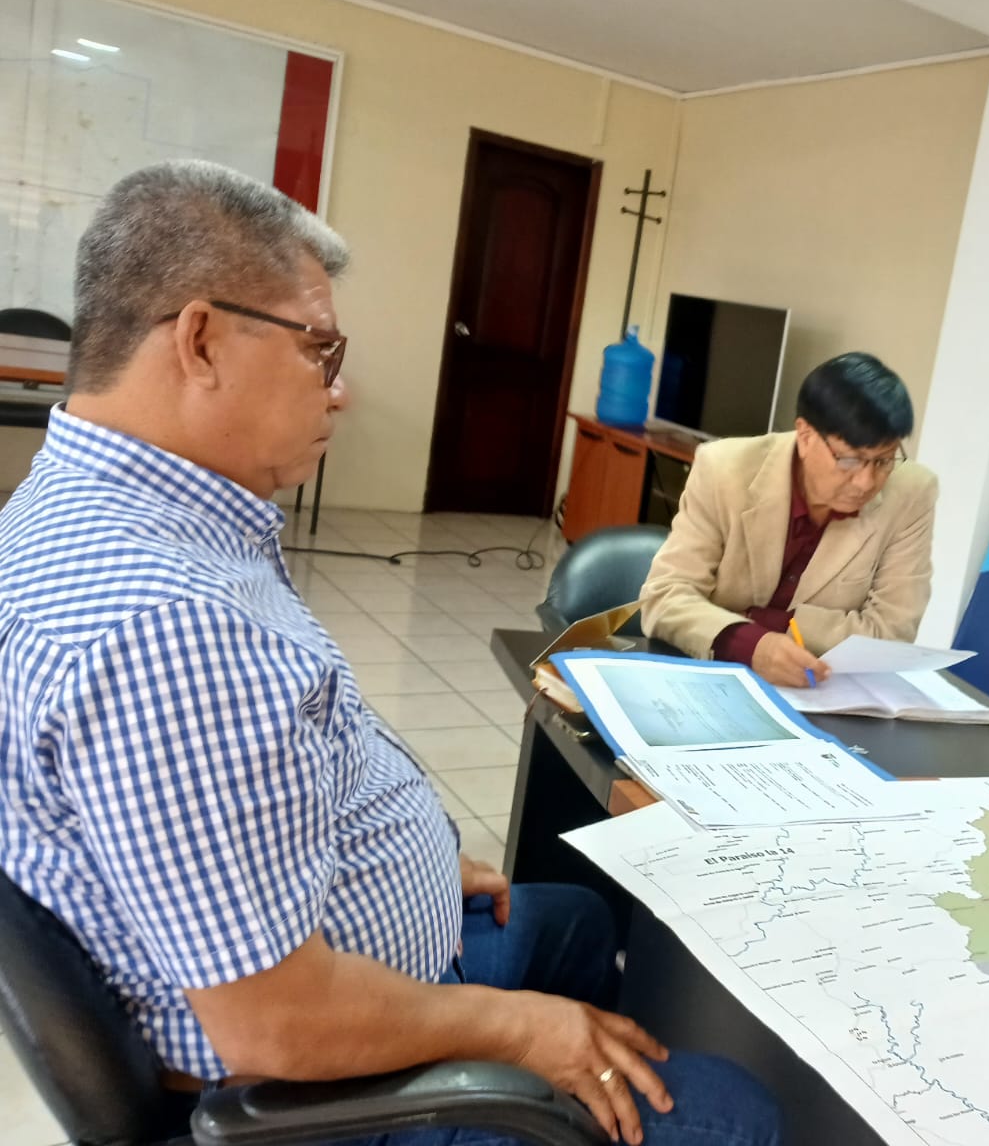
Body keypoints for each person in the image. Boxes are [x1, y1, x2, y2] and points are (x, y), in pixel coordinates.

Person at [0, 161, 779, 1146]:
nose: (342, 390)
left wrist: (413, 867)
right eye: (318, 350)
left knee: (576, 923)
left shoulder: (92, 511)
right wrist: (520, 1031)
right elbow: (277, 1024)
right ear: (199, 341)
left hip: (331, 953)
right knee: (733, 1112)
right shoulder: (164, 623)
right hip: (312, 1086)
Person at [640, 352, 937, 688]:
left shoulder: (912, 493)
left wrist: (767, 624)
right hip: (706, 678)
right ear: (805, 436)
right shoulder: (724, 470)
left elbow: (891, 636)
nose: (866, 483)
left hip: (819, 691)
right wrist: (749, 644)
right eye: (850, 460)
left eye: (883, 461)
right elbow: (664, 597)